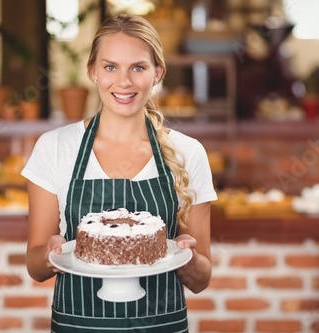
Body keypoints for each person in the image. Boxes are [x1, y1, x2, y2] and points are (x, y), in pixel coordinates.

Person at [22, 13, 217, 332]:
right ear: (93, 71)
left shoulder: (188, 153)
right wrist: (49, 253)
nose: (123, 82)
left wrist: (187, 257)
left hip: (161, 324)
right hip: (79, 323)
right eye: (110, 66)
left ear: (157, 73)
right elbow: (35, 267)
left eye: (138, 67)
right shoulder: (55, 148)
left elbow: (201, 279)